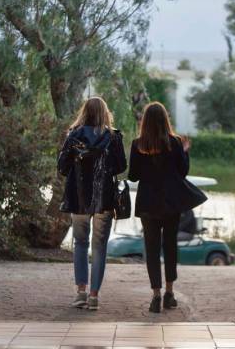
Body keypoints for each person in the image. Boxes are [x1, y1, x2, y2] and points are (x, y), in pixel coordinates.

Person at [58, 97, 127, 311]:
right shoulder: (113, 137)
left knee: (80, 244)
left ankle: (80, 292)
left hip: (78, 198)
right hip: (104, 199)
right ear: (105, 113)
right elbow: (120, 167)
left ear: (84, 112)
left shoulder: (73, 136)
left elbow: (61, 167)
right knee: (99, 247)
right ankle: (94, 296)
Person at [128, 102, 190, 313]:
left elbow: (133, 176)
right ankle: (169, 294)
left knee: (152, 249)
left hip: (147, 204)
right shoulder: (175, 142)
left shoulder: (138, 145)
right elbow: (182, 173)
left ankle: (155, 295)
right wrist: (185, 152)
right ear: (165, 120)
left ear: (145, 122)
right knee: (170, 246)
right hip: (171, 204)